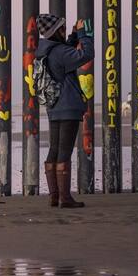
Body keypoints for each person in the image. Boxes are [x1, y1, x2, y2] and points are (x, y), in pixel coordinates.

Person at [35, 14, 94, 208]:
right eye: (62, 28)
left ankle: (54, 196)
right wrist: (84, 34)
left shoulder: (45, 50)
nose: (64, 31)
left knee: (54, 149)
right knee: (64, 152)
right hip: (68, 106)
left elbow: (65, 52)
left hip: (54, 106)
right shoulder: (59, 52)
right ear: (55, 32)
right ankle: (66, 198)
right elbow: (85, 55)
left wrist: (73, 35)